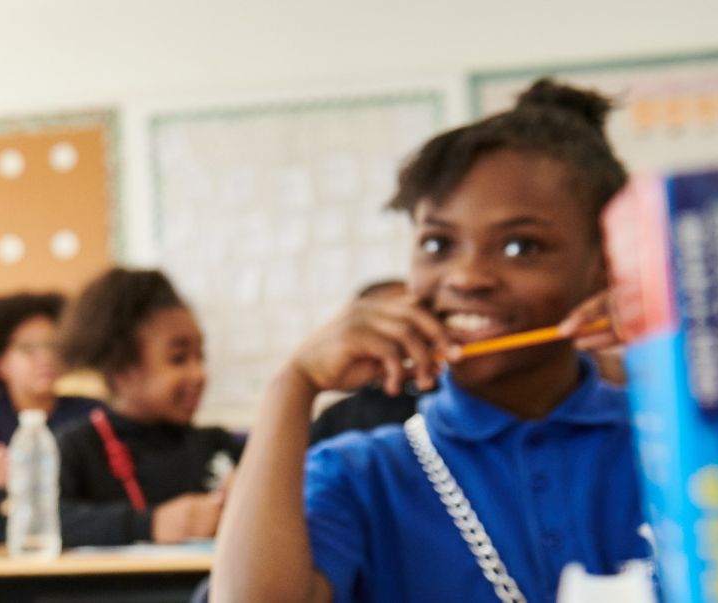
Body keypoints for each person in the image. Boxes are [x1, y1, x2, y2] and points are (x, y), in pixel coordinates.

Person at [212, 79, 646, 603]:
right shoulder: (360, 475)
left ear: (606, 264)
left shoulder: (670, 438)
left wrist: (671, 349)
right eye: (437, 244)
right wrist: (294, 383)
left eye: (520, 246)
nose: (466, 277)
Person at [55, 267, 242, 547]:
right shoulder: (77, 448)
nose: (199, 374)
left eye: (199, 356)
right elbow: (41, 521)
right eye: (179, 359)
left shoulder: (217, 444)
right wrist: (150, 524)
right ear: (121, 368)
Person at [0, 292, 105, 498]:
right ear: (0, 364)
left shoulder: (90, 410)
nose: (46, 357)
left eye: (53, 346)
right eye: (28, 348)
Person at [306, 280, 424, 447]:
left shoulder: (449, 400)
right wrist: (302, 382)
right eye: (391, 320)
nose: (405, 331)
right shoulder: (340, 416)